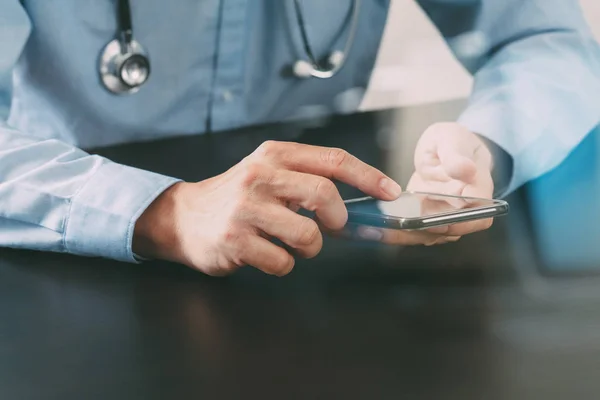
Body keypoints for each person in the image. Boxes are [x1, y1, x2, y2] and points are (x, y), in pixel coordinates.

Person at [0, 0, 599, 277]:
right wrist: (163, 209)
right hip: (57, 246)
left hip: (318, 270)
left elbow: (547, 37)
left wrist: (486, 141)